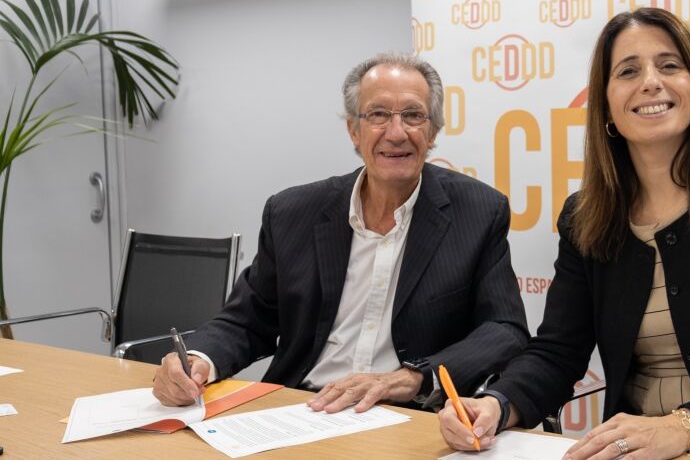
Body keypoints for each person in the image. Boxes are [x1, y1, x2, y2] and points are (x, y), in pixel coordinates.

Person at [439, 8, 690, 459]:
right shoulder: (585, 217)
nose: (651, 82)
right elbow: (559, 350)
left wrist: (684, 426)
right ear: (606, 106)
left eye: (669, 65)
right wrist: (497, 404)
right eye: (628, 71)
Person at [152, 52, 529, 414]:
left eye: (413, 116)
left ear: (432, 132)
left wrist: (411, 378)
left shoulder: (478, 212)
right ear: (354, 130)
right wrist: (197, 360)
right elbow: (247, 320)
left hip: (409, 415)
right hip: (301, 406)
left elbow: (505, 330)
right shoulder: (292, 212)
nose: (396, 133)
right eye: (378, 115)